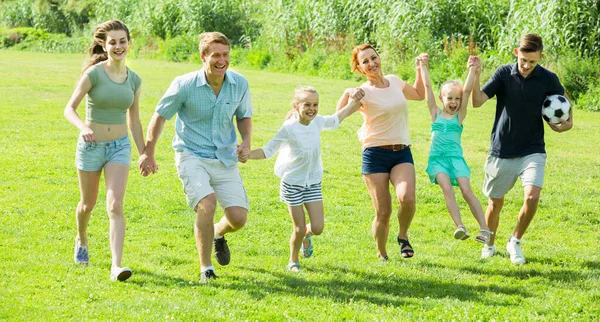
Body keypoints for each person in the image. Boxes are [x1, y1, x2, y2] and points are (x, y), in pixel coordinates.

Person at [138, 32, 252, 283]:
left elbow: (243, 116)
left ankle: (218, 234)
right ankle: (206, 269)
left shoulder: (240, 83)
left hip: (224, 156)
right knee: (207, 204)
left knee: (238, 218)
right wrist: (149, 152)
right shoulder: (184, 84)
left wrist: (246, 142)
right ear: (203, 57)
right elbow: (160, 116)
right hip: (191, 153)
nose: (221, 60)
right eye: (215, 55)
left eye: (225, 54)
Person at [471, 33, 573, 264]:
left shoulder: (548, 78)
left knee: (532, 197)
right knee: (495, 203)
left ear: (541, 58)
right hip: (502, 149)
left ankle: (515, 241)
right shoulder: (503, 73)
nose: (526, 66)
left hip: (533, 148)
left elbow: (564, 100)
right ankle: (489, 243)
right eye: (523, 60)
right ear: (516, 53)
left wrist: (569, 122)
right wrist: (475, 75)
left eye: (532, 62)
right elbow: (477, 101)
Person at [247, 86, 364, 272]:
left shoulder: (317, 122)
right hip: (292, 183)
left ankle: (307, 236)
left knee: (317, 228)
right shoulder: (289, 129)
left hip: (313, 182)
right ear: (295, 106)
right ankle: (293, 261)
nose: (312, 108)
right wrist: (247, 155)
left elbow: (335, 119)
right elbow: (268, 151)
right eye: (307, 105)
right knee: (298, 228)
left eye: (315, 104)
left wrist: (353, 101)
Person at [63, 20, 144, 281]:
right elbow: (69, 108)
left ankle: (116, 266)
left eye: (122, 41)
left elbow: (134, 120)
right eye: (113, 42)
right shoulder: (94, 74)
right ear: (104, 45)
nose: (118, 46)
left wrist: (144, 153)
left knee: (115, 204)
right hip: (91, 146)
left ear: (128, 43)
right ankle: (82, 239)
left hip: (119, 147)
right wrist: (82, 128)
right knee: (88, 204)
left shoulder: (134, 80)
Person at [336, 44, 426, 261]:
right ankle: (382, 254)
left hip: (401, 152)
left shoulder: (395, 81)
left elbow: (419, 95)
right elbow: (337, 118)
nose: (371, 63)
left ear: (379, 58)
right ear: (359, 68)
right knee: (383, 211)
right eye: (365, 61)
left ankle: (403, 236)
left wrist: (419, 69)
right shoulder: (361, 92)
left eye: (373, 58)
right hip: (374, 154)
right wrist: (347, 94)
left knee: (407, 198)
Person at [419, 54, 493, 243]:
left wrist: (472, 70)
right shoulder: (435, 114)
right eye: (449, 98)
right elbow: (427, 87)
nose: (453, 102)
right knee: (446, 188)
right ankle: (460, 226)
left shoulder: (459, 116)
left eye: (457, 99)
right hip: (437, 161)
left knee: (466, 190)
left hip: (456, 160)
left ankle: (485, 229)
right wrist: (423, 66)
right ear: (441, 99)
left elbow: (467, 91)